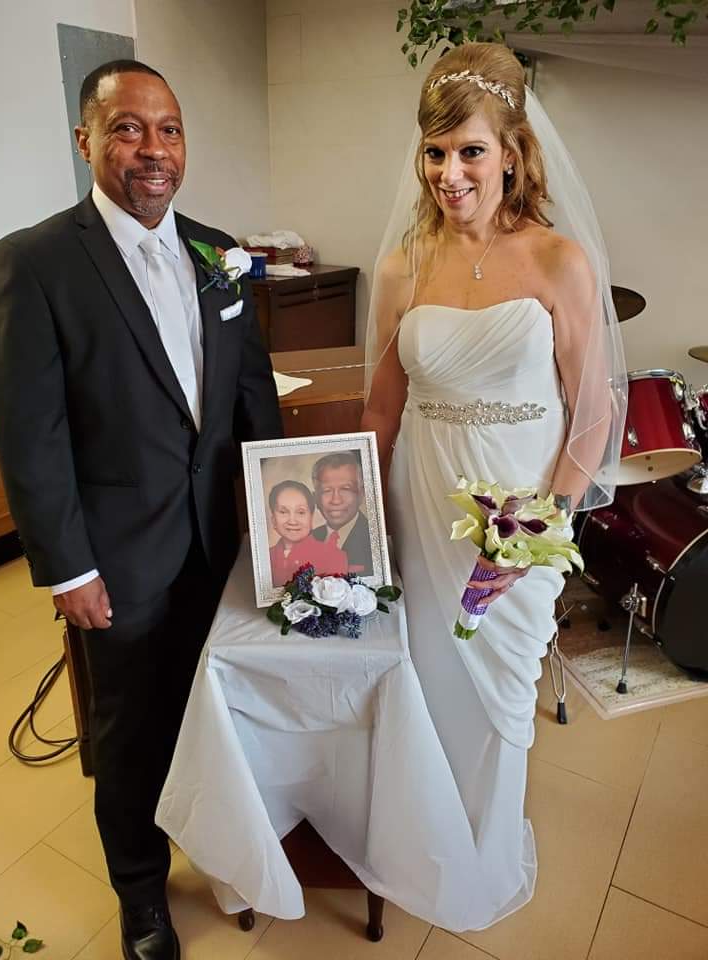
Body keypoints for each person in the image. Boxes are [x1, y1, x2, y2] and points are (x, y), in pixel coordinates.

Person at [0, 60, 282, 959]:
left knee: (223, 709)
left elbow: (250, 395)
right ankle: (142, 893)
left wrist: (281, 516)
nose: (152, 149)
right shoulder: (32, 262)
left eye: (169, 129)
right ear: (86, 141)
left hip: (220, 542)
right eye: (127, 128)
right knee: (130, 730)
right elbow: (29, 433)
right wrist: (68, 566)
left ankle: (227, 843)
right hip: (118, 560)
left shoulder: (217, 249)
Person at [361, 42, 626, 930]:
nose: (450, 173)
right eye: (435, 153)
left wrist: (533, 531)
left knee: (502, 683)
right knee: (428, 680)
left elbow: (592, 416)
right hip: (418, 500)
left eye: (470, 151)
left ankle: (480, 851)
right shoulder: (402, 267)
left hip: (523, 509)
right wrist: (363, 523)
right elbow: (380, 412)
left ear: (510, 152)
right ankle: (424, 840)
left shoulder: (559, 262)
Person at [268, 479, 348, 586]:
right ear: (273, 519)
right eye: (283, 512)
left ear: (311, 517)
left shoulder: (334, 557)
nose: (292, 520)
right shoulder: (264, 559)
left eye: (300, 512)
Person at [311, 452, 373, 575]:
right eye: (326, 490)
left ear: (361, 495)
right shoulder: (308, 539)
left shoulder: (373, 538)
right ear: (315, 498)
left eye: (345, 489)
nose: (336, 500)